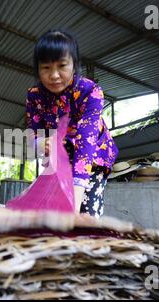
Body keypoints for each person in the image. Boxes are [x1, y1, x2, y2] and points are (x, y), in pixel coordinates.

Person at [26, 29, 118, 218]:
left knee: (85, 212)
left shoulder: (90, 91)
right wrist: (39, 143)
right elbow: (34, 132)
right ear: (37, 69)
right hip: (60, 157)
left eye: (62, 66)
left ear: (74, 65)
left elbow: (86, 145)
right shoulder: (34, 95)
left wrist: (74, 204)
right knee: (48, 211)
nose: (54, 75)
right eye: (46, 68)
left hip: (94, 155)